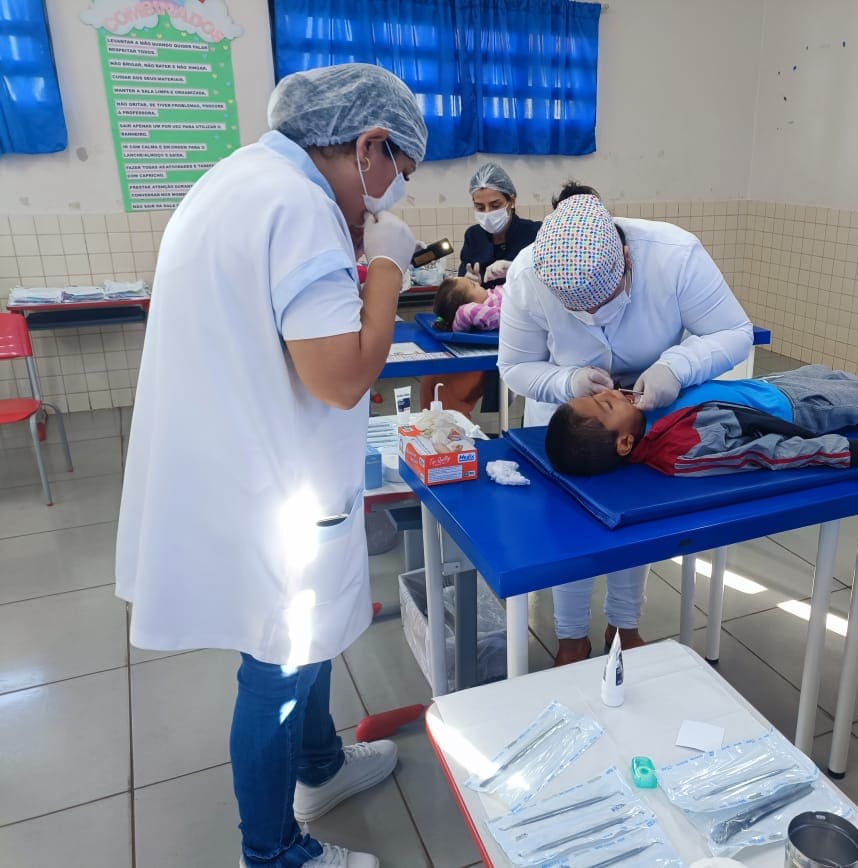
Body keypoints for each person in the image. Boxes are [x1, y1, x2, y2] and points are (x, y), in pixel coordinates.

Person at [116, 63, 428, 868]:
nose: (394, 194)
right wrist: (389, 267)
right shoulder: (298, 209)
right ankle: (274, 851)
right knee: (281, 658)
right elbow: (341, 374)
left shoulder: (237, 179)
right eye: (401, 171)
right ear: (369, 145)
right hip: (271, 485)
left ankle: (319, 764)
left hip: (238, 464)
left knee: (303, 633)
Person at [498, 186, 754, 665]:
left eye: (607, 303)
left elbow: (734, 332)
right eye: (581, 313)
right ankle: (571, 636)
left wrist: (677, 366)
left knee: (633, 522)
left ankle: (624, 626)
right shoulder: (529, 274)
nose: (594, 320)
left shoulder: (674, 256)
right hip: (564, 416)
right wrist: (567, 380)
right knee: (567, 528)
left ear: (627, 260)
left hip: (646, 411)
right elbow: (514, 367)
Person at [546, 347, 858, 476]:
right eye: (608, 403)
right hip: (801, 414)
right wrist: (840, 453)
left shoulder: (647, 407)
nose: (616, 394)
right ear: (624, 443)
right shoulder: (680, 452)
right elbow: (764, 453)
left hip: (772, 386)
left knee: (838, 377)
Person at [419, 162, 540, 416]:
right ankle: (434, 435)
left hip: (515, 332)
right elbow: (461, 287)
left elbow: (549, 282)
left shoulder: (534, 234)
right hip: (476, 335)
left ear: (512, 200)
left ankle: (464, 438)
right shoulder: (474, 236)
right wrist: (470, 277)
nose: (487, 213)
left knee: (457, 389)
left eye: (495, 206)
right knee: (432, 379)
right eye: (479, 207)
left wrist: (516, 269)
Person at [432, 275, 503, 332]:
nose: (477, 283)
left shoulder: (488, 295)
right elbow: (463, 313)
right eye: (473, 285)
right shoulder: (481, 311)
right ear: (471, 305)